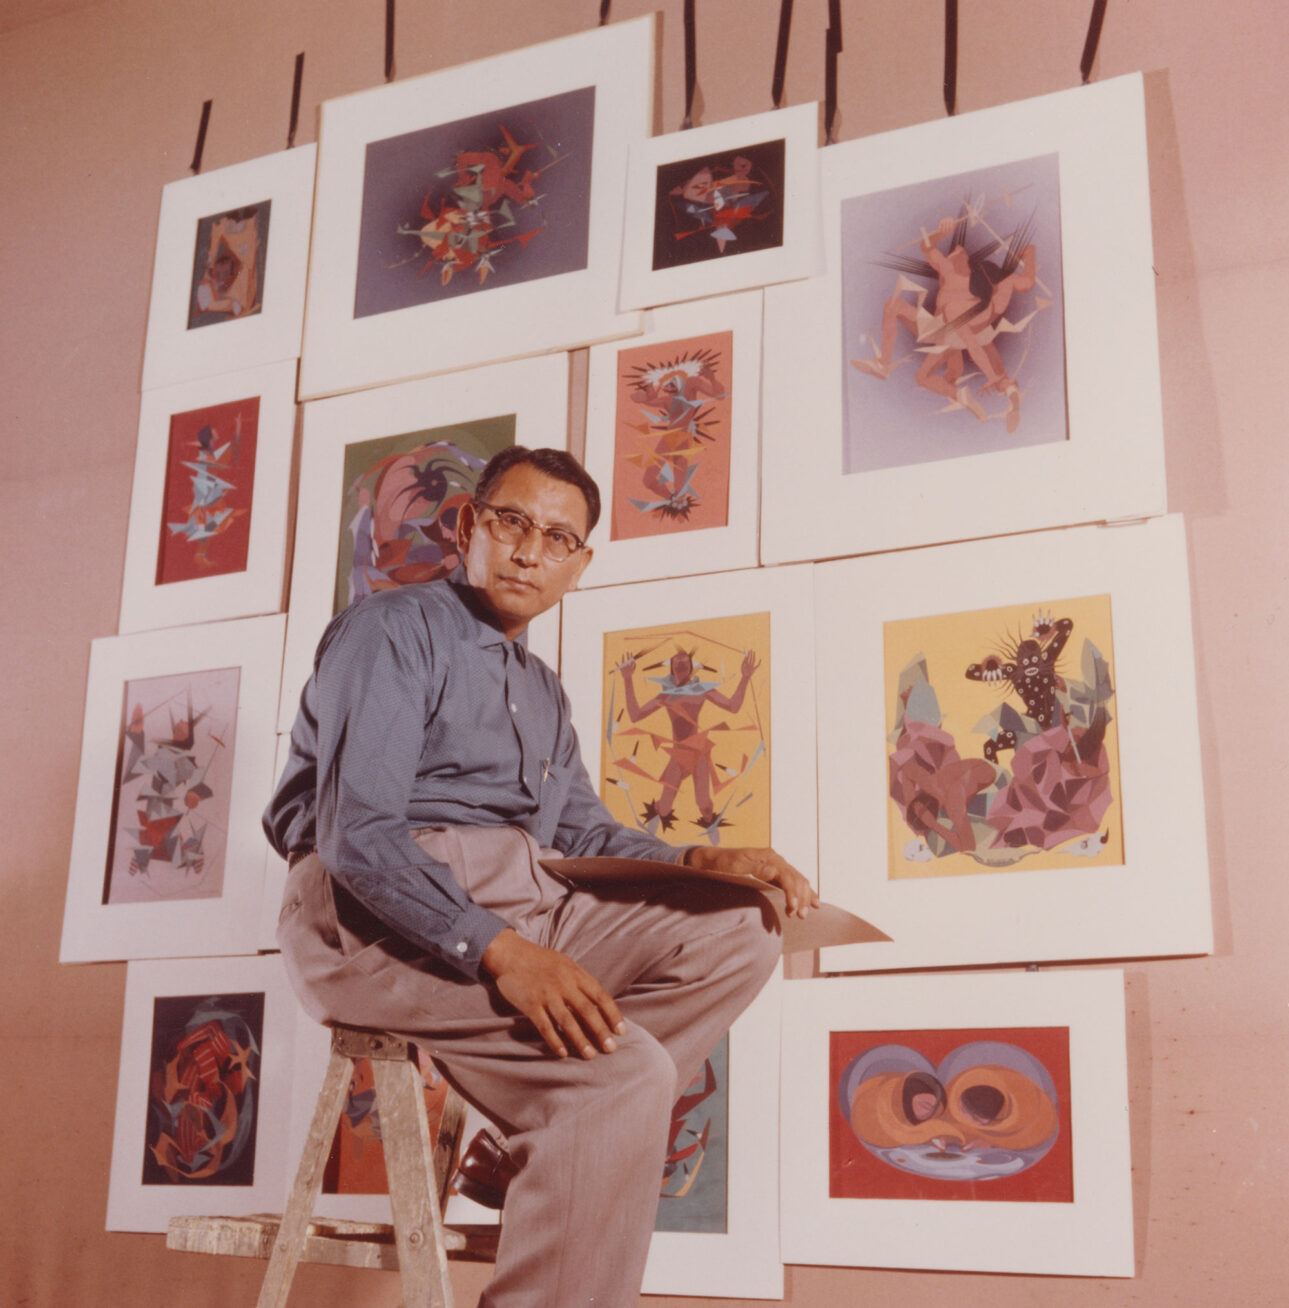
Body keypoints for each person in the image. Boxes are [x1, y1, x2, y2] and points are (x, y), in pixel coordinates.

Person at [265, 445, 816, 1307]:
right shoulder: (392, 629)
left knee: (741, 928)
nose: (530, 551)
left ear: (579, 564)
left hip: (524, 894)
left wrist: (697, 860)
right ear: (466, 526)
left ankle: (545, 1139)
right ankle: (577, 1120)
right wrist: (503, 952)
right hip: (367, 913)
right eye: (512, 523)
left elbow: (578, 832)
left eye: (558, 539)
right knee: (624, 1074)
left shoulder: (542, 691)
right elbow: (360, 836)